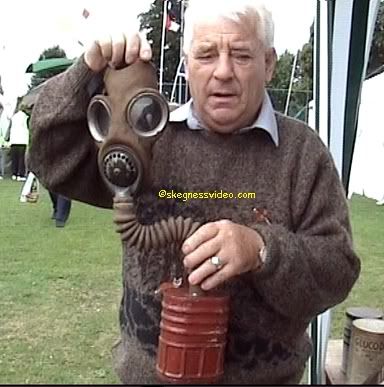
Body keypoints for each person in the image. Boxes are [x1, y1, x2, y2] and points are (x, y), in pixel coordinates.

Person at [27, 0, 361, 384]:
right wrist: (86, 71)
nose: (223, 72)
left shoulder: (302, 153)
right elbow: (49, 157)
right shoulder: (148, 134)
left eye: (240, 54)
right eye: (206, 54)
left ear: (268, 64)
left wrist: (262, 249)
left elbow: (338, 269)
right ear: (186, 64)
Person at [9, 107, 29, 181]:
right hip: (22, 140)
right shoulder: (25, 117)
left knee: (14, 158)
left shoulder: (13, 117)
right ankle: (20, 175)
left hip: (13, 140)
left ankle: (14, 173)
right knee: (21, 159)